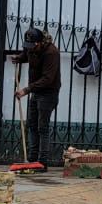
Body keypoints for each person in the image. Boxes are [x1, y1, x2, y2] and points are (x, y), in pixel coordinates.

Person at [13, 27, 61, 168]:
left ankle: (42, 162)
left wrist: (26, 90)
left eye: (33, 46)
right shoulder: (31, 46)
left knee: (42, 127)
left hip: (48, 92)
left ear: (39, 42)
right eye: (28, 46)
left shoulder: (51, 52)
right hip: (36, 91)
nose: (30, 49)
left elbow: (48, 78)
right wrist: (19, 58)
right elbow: (26, 54)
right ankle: (32, 159)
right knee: (32, 125)